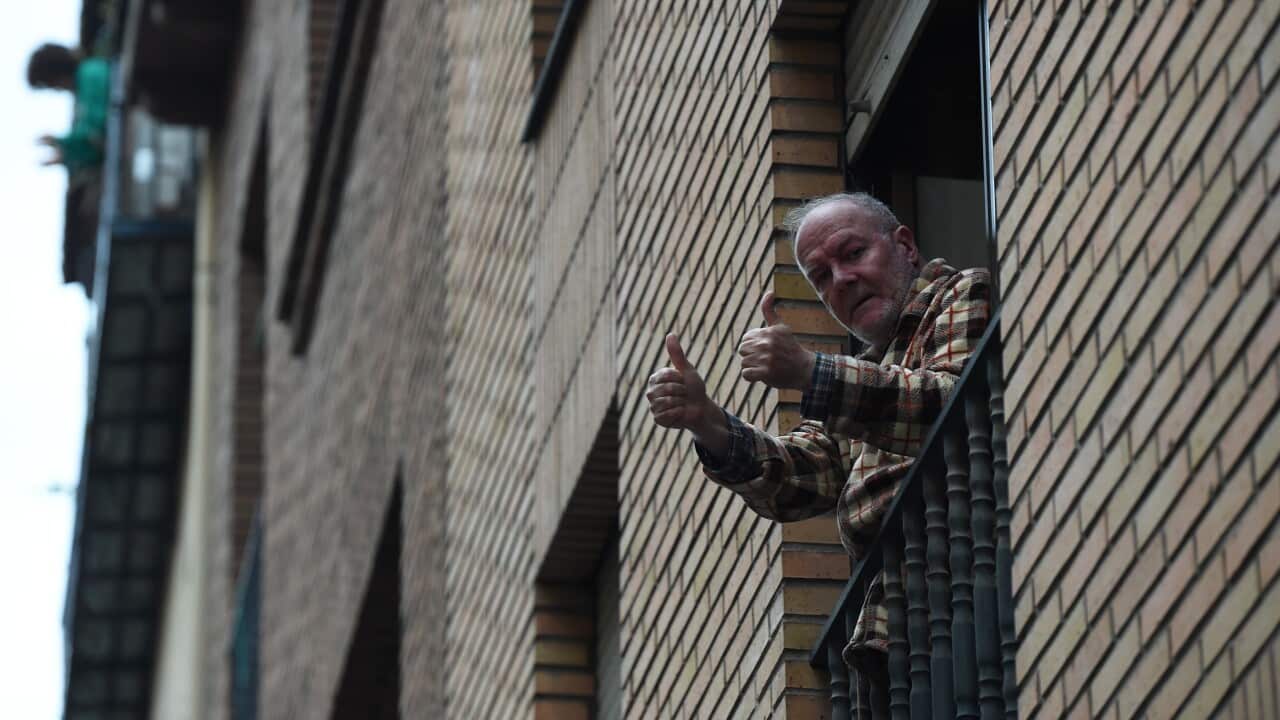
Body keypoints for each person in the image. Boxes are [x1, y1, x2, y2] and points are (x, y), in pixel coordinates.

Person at [645, 192, 991, 712]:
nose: (842, 280)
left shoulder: (965, 291)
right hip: (905, 632)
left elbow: (953, 408)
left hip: (969, 584)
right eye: (822, 277)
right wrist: (708, 423)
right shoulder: (870, 371)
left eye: (852, 254)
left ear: (904, 246)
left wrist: (812, 373)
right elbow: (801, 480)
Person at [27, 43, 111, 177]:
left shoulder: (90, 74)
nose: (57, 90)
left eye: (51, 84)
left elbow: (97, 128)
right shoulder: (85, 82)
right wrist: (65, 154)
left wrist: (62, 143)